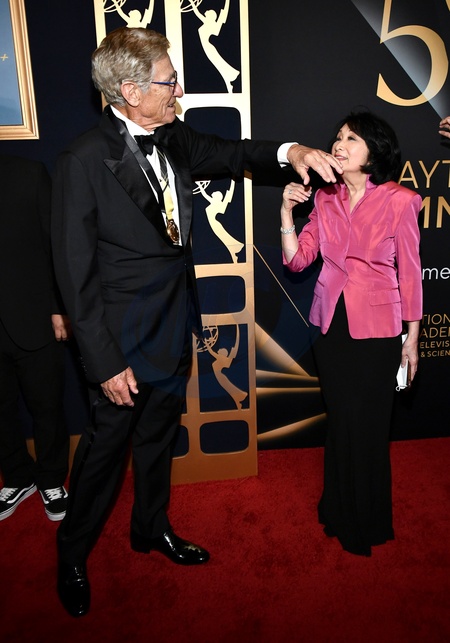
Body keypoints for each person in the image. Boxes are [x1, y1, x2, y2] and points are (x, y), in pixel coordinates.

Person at [51, 26, 342, 618]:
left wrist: (292, 152)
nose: (179, 91)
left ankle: (150, 526)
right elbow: (75, 275)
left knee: (158, 441)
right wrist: (103, 362)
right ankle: (72, 554)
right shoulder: (82, 160)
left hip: (173, 324)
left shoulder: (174, 136)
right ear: (131, 91)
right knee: (105, 455)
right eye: (170, 81)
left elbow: (234, 154)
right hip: (120, 343)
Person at [280, 111, 422, 557]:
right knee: (341, 420)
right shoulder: (325, 198)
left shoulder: (401, 201)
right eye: (338, 137)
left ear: (374, 152)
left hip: (378, 330)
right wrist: (286, 211)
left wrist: (412, 337)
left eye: (352, 139)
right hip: (330, 327)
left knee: (369, 425)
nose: (339, 145)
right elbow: (297, 260)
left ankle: (368, 519)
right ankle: (338, 508)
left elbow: (411, 274)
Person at [0, 154, 70, 523]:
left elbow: (55, 243)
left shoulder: (28, 173)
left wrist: (59, 307)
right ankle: (17, 477)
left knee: (47, 406)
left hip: (34, 316)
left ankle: (51, 478)